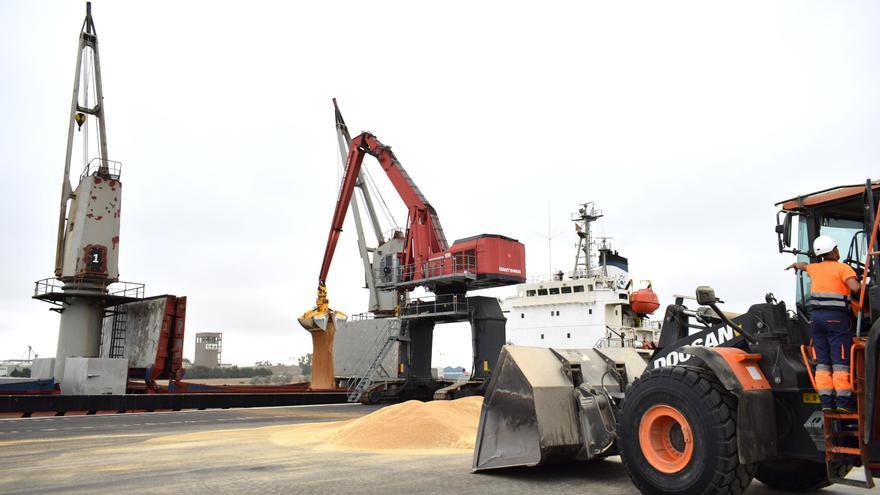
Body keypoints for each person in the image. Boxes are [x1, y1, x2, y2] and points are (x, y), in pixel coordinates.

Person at [786, 235, 862, 413]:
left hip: (816, 321)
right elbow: (856, 288)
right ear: (834, 250)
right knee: (840, 361)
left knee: (822, 363)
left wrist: (795, 265)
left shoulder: (815, 268)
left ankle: (826, 402)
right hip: (836, 320)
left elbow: (804, 266)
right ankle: (844, 402)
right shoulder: (843, 268)